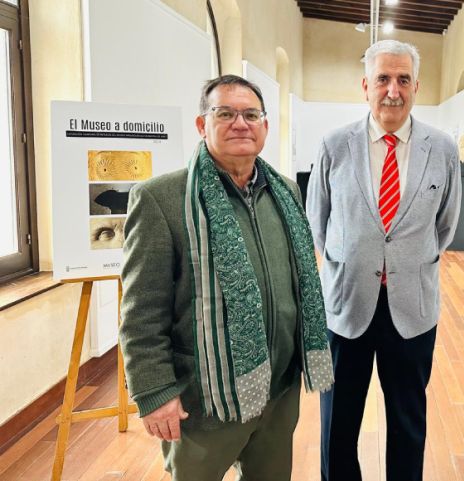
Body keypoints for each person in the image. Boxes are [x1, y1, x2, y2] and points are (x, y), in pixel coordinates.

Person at [119, 75, 333, 481]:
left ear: (265, 127)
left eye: (251, 114)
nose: (241, 123)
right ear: (203, 125)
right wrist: (154, 392)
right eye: (225, 113)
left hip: (279, 393)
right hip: (205, 402)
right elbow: (141, 311)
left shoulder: (285, 192)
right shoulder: (161, 199)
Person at [307, 39, 461, 481]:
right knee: (338, 425)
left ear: (416, 85)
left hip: (411, 310)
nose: (393, 89)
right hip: (347, 306)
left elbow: (445, 225)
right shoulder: (335, 145)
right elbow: (319, 220)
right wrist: (352, 258)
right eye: (383, 79)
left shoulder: (443, 148)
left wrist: (405, 261)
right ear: (366, 86)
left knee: (408, 422)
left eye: (403, 79)